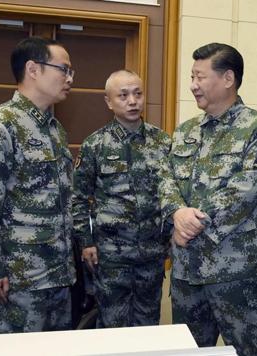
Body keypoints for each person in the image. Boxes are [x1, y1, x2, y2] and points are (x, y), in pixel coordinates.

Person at [159, 42, 257, 356]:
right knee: (187, 351)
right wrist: (176, 211)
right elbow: (165, 178)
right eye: (191, 76)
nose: (192, 85)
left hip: (237, 274)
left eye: (200, 77)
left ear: (228, 79)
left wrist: (194, 220)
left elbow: (250, 186)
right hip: (187, 273)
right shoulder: (185, 132)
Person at [0, 37, 76, 333]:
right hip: (19, 280)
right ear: (33, 69)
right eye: (63, 69)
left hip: (58, 276)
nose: (69, 78)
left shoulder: (54, 129)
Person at [71, 70, 170, 328]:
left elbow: (172, 195)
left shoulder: (162, 142)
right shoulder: (95, 144)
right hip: (111, 256)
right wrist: (86, 242)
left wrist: (169, 240)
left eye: (138, 94)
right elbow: (78, 198)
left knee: (148, 325)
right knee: (112, 326)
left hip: (151, 254)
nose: (133, 101)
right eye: (123, 95)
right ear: (109, 102)